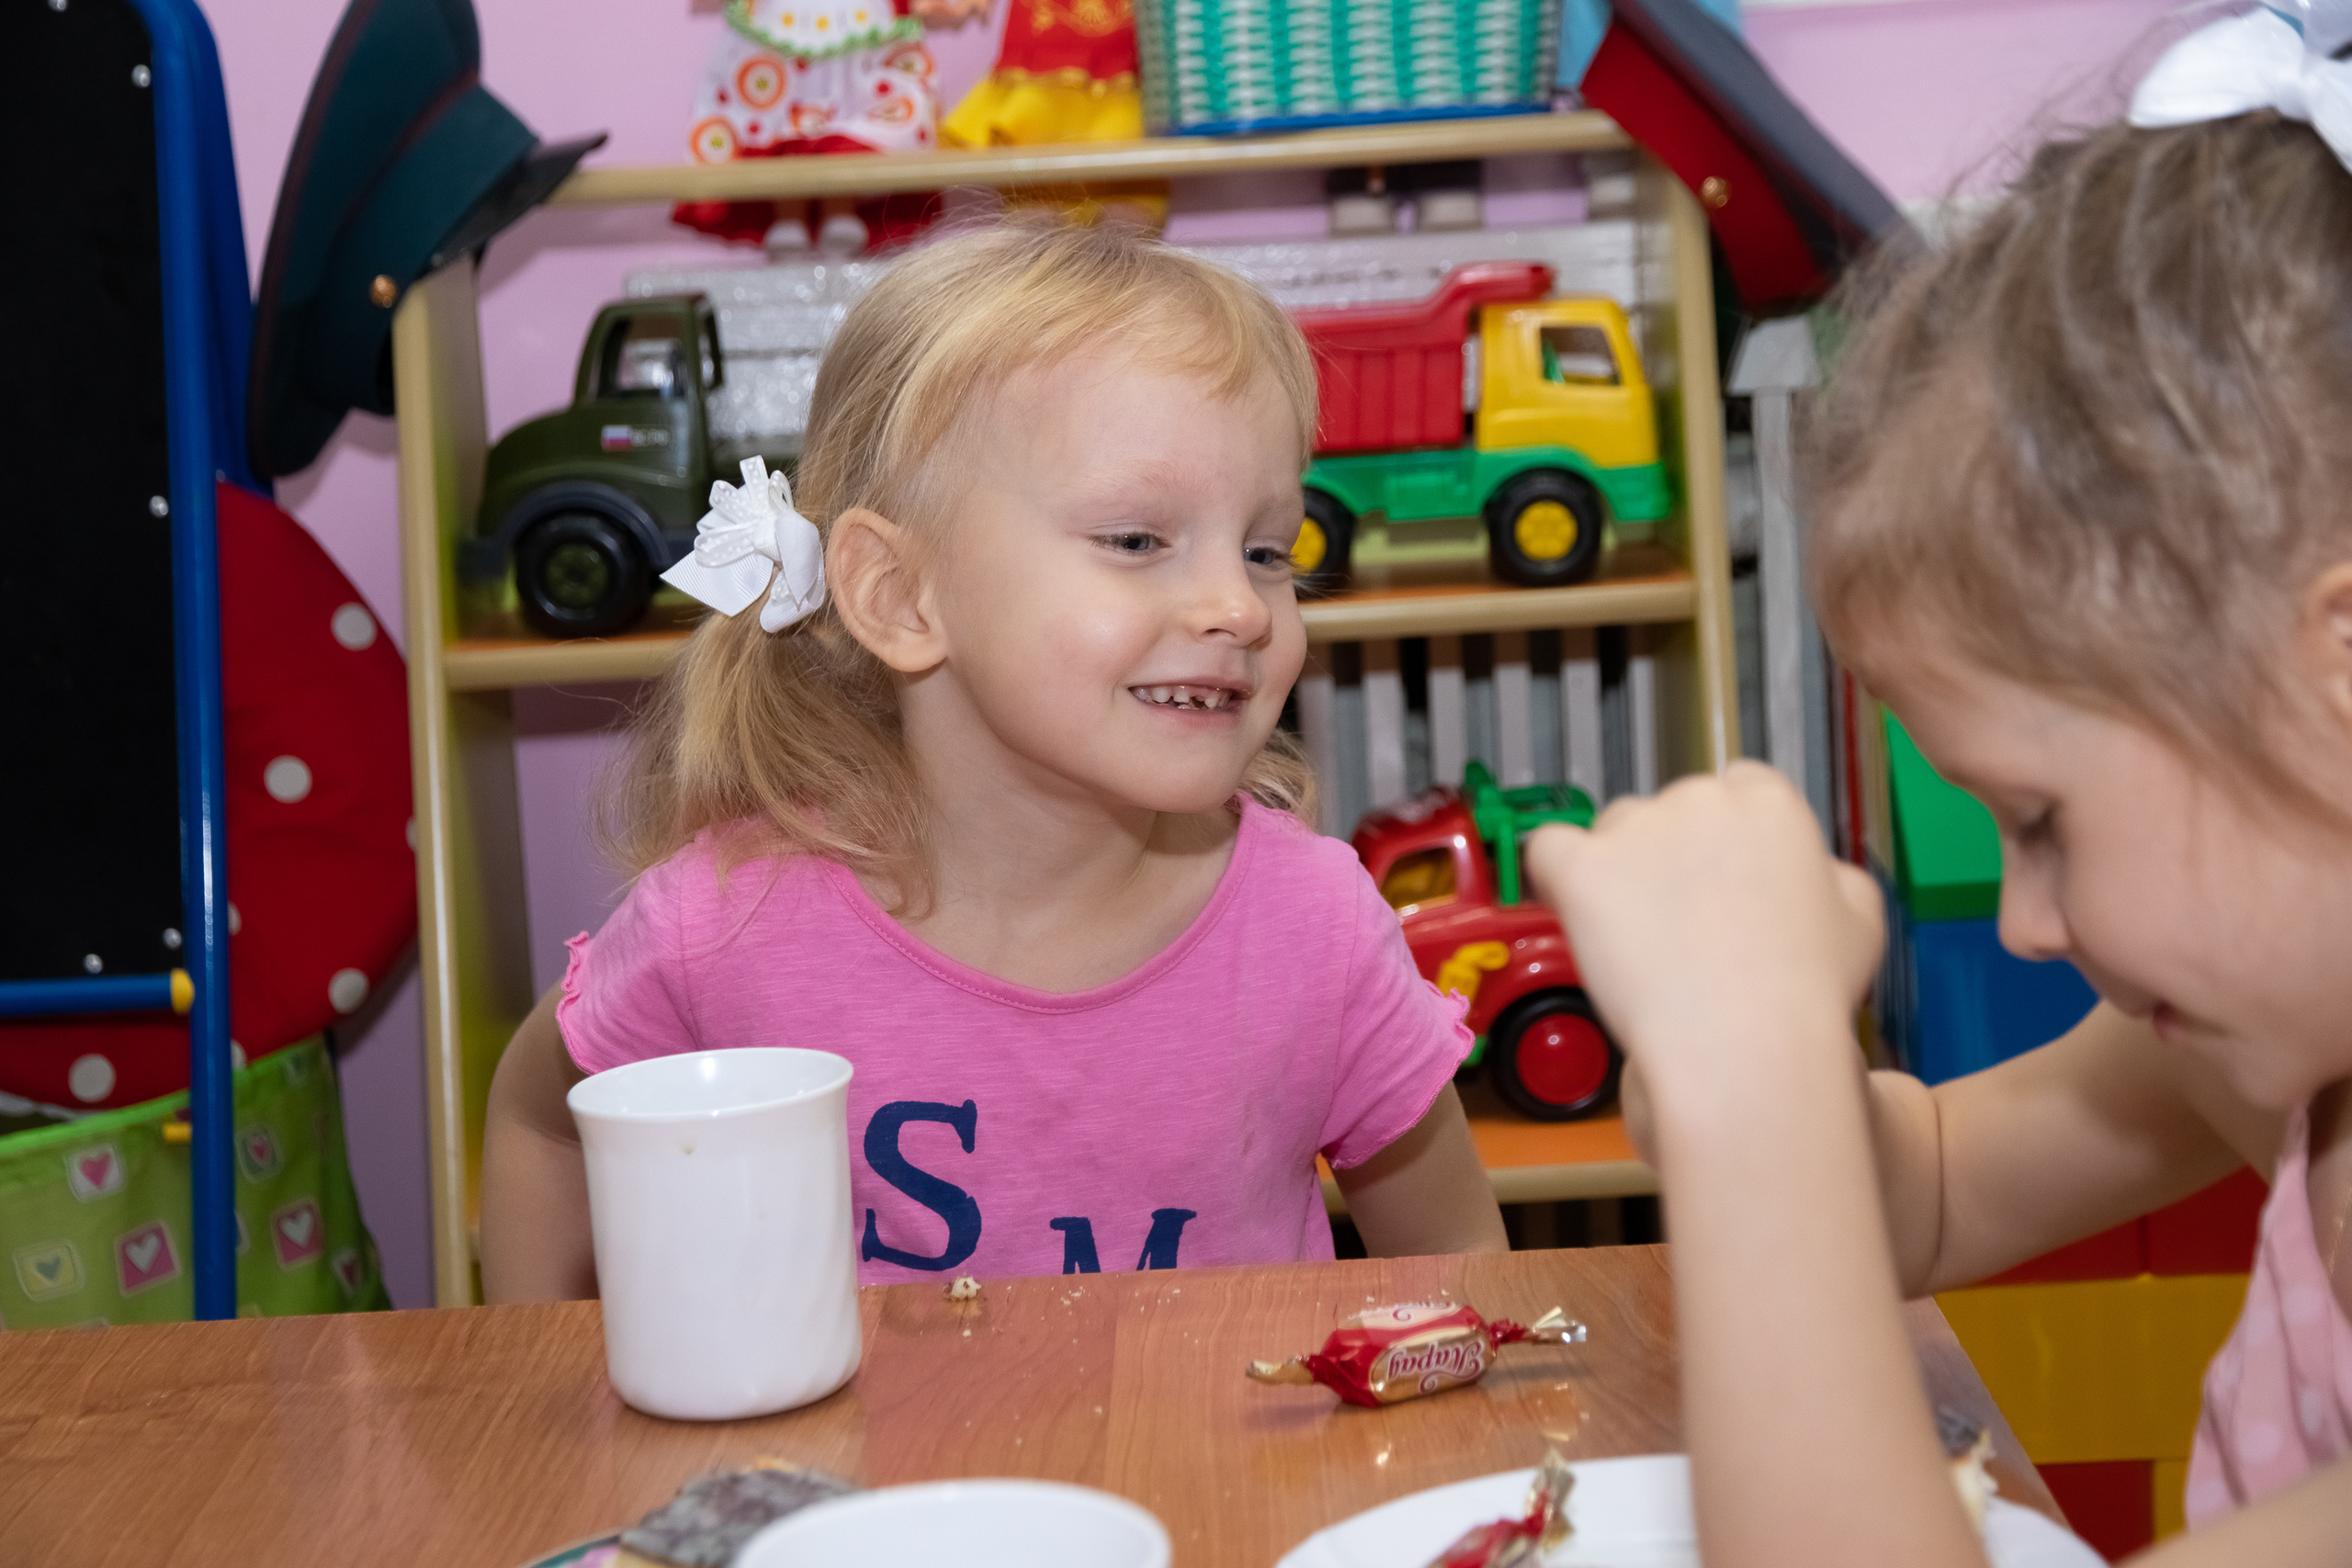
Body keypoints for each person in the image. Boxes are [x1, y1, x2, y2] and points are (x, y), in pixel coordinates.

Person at [1523, 8, 2352, 1564]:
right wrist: (1723, 1082)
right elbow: (1942, 1184)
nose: (2026, 925)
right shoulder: (2286, 1058)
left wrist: (1760, 1079)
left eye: (2040, 819)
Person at [480, 218, 1506, 1300]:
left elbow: (1464, 1265)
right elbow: (542, 1125)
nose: (1240, 609)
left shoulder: (1315, 930)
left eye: (1266, 552)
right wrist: (542, 1381)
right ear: (898, 596)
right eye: (1136, 540)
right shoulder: (722, 929)